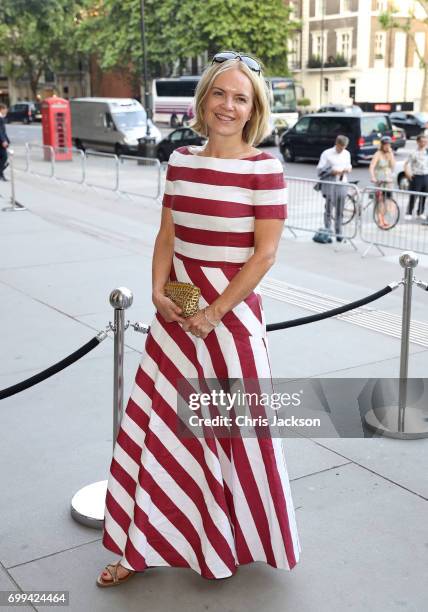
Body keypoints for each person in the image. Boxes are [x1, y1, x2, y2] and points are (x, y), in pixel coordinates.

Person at [97, 51, 301, 587]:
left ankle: (225, 544)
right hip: (179, 313)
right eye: (220, 93)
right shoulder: (182, 160)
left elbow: (264, 256)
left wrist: (213, 313)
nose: (228, 106)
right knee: (159, 433)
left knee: (234, 436)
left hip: (229, 322)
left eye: (241, 98)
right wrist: (158, 292)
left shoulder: (265, 170)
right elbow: (168, 235)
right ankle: (136, 547)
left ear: (254, 108)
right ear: (203, 98)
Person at [316, 135, 352, 242]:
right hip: (330, 183)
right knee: (328, 209)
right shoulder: (326, 153)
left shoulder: (347, 153)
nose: (342, 150)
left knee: (340, 209)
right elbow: (319, 170)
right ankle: (327, 231)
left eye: (344, 147)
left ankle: (339, 232)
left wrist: (348, 169)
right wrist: (332, 171)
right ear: (336, 144)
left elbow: (348, 165)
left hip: (342, 182)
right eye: (341, 147)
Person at [369, 136, 395, 229]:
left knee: (387, 200)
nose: (387, 146)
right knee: (380, 201)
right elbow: (372, 166)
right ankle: (380, 220)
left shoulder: (389, 153)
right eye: (386, 145)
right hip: (379, 180)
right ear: (382, 145)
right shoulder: (378, 154)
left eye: (389, 145)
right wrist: (373, 177)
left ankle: (384, 218)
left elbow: (393, 166)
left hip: (388, 180)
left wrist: (391, 154)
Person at [404, 133, 428, 220]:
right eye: (422, 141)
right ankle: (409, 212)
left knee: (424, 195)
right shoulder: (414, 153)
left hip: (426, 176)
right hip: (417, 176)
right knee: (414, 195)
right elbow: (406, 164)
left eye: (425, 141)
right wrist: (408, 173)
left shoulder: (427, 151)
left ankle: (420, 212)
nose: (424, 143)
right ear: (418, 142)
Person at [0, 103, 10, 181]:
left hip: (2, 141)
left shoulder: (2, 118)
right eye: (5, 109)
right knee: (4, 157)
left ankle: (1, 175)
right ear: (1, 109)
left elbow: (3, 131)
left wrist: (7, 140)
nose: (6, 110)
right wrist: (3, 141)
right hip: (0, 143)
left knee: (2, 158)